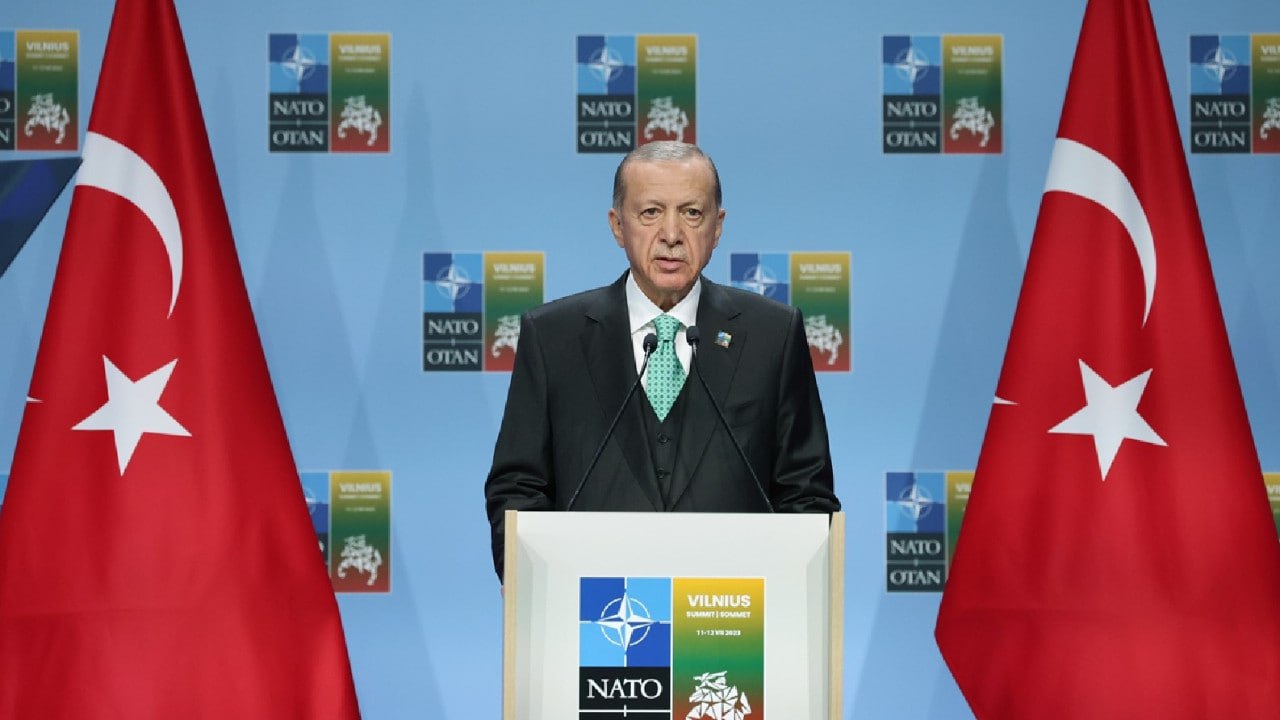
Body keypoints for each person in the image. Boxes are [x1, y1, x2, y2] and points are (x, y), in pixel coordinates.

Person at [484, 141, 839, 580]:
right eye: (650, 212)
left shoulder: (772, 335)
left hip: (728, 610)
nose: (672, 234)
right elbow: (518, 489)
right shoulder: (553, 337)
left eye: (692, 213)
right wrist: (532, 587)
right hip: (598, 609)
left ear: (717, 227)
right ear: (618, 226)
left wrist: (790, 593)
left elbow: (806, 496)